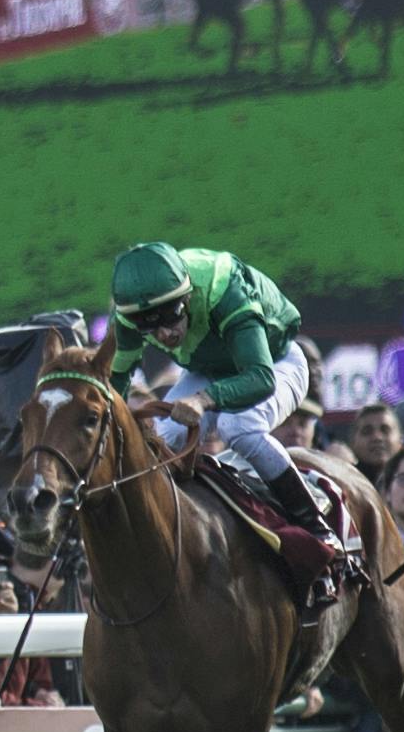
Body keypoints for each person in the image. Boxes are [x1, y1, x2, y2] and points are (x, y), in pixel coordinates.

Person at [106, 240, 340, 585]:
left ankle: (315, 526)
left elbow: (259, 378)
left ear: (188, 297)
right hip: (209, 368)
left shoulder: (223, 287)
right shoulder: (127, 317)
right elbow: (115, 385)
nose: (164, 334)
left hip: (275, 363)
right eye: (148, 326)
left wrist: (203, 400)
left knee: (238, 426)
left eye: (172, 316)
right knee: (161, 440)